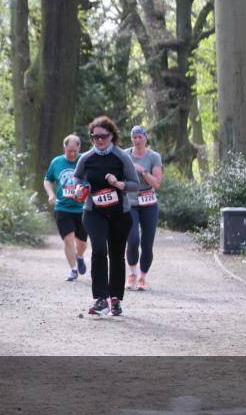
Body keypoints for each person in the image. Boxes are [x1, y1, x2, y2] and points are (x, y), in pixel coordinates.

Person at [73, 116, 139, 317]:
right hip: (94, 212)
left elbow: (135, 184)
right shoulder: (86, 158)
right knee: (99, 250)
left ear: (112, 136)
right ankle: (101, 299)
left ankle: (115, 299)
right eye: (95, 137)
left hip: (120, 213)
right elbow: (77, 177)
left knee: (117, 255)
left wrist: (119, 184)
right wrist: (79, 188)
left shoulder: (121, 157)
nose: (99, 140)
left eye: (103, 136)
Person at [43, 134, 88, 282]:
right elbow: (47, 180)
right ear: (64, 148)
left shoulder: (85, 161)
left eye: (75, 151)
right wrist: (51, 194)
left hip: (82, 209)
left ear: (79, 148)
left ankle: (79, 256)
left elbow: (92, 181)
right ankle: (73, 269)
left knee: (82, 243)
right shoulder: (57, 162)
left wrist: (85, 190)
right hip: (63, 208)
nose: (72, 154)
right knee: (68, 240)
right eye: (70, 151)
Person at [124, 125, 163, 291]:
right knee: (133, 239)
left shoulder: (154, 157)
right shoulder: (125, 155)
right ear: (131, 138)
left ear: (146, 138)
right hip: (130, 202)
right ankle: (132, 274)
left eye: (140, 137)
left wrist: (143, 171)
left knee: (147, 244)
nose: (137, 140)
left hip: (148, 203)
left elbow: (157, 184)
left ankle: (142, 277)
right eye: (134, 137)